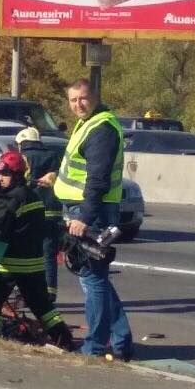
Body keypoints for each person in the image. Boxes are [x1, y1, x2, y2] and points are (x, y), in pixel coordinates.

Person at [54, 78, 133, 360]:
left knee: (93, 280)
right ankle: (122, 342)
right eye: (73, 100)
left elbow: (97, 179)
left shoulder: (101, 129)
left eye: (83, 98)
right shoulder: (89, 124)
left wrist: (85, 217)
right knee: (96, 279)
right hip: (82, 207)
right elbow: (81, 169)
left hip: (91, 211)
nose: (78, 104)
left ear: (95, 96)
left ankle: (95, 347)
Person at [0, 151, 74, 349]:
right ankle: (63, 338)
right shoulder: (32, 195)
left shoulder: (12, 199)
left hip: (11, 265)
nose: (0, 178)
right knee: (42, 307)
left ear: (15, 174)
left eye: (4, 174)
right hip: (34, 263)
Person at [16, 127, 62, 302]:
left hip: (33, 212)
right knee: (49, 254)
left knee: (28, 254)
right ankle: (50, 293)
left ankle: (27, 292)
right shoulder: (53, 156)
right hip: (54, 211)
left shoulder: (24, 158)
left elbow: (22, 182)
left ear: (22, 143)